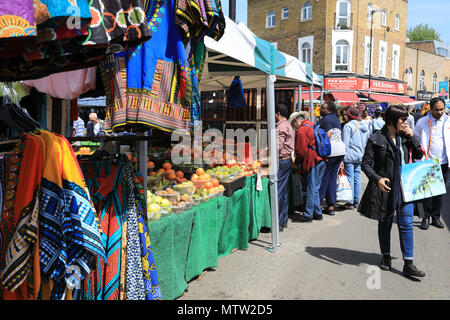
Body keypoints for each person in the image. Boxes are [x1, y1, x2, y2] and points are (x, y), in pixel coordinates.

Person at [358, 105, 425, 278]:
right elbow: (365, 164)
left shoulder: (405, 137)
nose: (405, 122)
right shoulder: (376, 138)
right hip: (385, 187)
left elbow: (418, 155)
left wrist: (413, 138)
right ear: (392, 120)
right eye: (402, 119)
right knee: (385, 223)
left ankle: (408, 263)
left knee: (406, 225)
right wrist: (377, 179)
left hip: (405, 187)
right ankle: (386, 256)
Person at [414, 97, 449, 230]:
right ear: (430, 108)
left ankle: (435, 217)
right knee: (427, 192)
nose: (440, 112)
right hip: (427, 161)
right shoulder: (422, 122)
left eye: (442, 109)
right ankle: (425, 217)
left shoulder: (448, 121)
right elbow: (416, 140)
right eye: (437, 109)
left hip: (443, 162)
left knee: (439, 192)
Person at [291, 115, 326, 222]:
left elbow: (300, 151)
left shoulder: (302, 129)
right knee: (315, 187)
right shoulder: (311, 124)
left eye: (293, 125)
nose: (294, 128)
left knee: (311, 187)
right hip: (322, 159)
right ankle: (317, 212)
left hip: (313, 160)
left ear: (296, 121)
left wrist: (296, 162)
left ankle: (308, 214)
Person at [317, 101, 346, 216]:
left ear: (328, 109)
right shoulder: (335, 118)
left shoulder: (326, 120)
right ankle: (331, 205)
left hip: (331, 152)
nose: (320, 109)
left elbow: (326, 135)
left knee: (325, 178)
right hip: (340, 151)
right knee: (332, 178)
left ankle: (317, 204)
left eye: (322, 108)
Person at [342, 107, 371, 209]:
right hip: (360, 154)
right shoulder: (365, 126)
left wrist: (342, 158)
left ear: (349, 116)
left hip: (349, 155)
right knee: (357, 177)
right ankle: (356, 200)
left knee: (350, 177)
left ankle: (350, 201)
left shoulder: (348, 126)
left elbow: (345, 144)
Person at [275, 104, 295, 231]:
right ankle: (283, 220)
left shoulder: (281, 127)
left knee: (277, 191)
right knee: (284, 191)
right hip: (287, 160)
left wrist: (265, 154)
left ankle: (277, 221)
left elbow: (278, 146)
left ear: (277, 114)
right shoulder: (288, 125)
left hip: (282, 161)